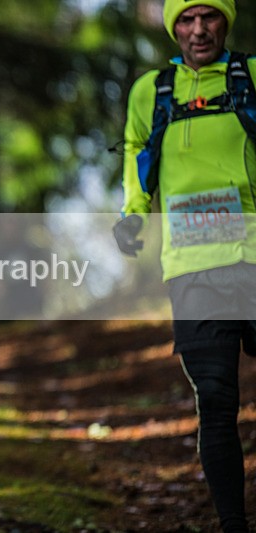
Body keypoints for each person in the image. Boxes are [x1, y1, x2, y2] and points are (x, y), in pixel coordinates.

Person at [114, 1, 256, 531]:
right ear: (174, 26)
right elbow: (136, 152)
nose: (199, 30)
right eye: (187, 19)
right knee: (216, 400)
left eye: (211, 17)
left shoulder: (251, 75)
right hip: (193, 268)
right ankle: (234, 524)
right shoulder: (152, 91)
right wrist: (132, 213)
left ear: (227, 21)